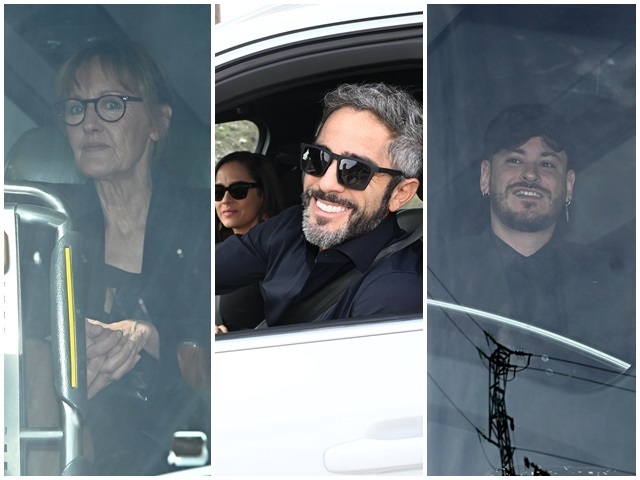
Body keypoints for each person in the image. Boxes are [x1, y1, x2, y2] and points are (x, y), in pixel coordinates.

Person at [26, 38, 211, 475]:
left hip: (187, 457)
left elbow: (231, 361)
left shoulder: (206, 225)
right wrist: (57, 365)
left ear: (157, 123)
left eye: (110, 104)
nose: (89, 122)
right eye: (75, 108)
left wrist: (148, 336)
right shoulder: (44, 229)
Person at [428, 103, 634, 361]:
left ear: (568, 186)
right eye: (514, 160)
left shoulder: (610, 284)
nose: (530, 174)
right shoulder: (437, 275)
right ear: (486, 176)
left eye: (547, 164)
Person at [215, 83, 422, 328]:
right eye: (318, 158)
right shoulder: (289, 227)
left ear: (400, 193)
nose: (325, 184)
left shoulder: (394, 292)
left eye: (355, 171)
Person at [215, 152, 284, 331]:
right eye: (218, 192)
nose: (225, 200)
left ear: (262, 194)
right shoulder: (212, 245)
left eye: (239, 190)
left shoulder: (278, 253)